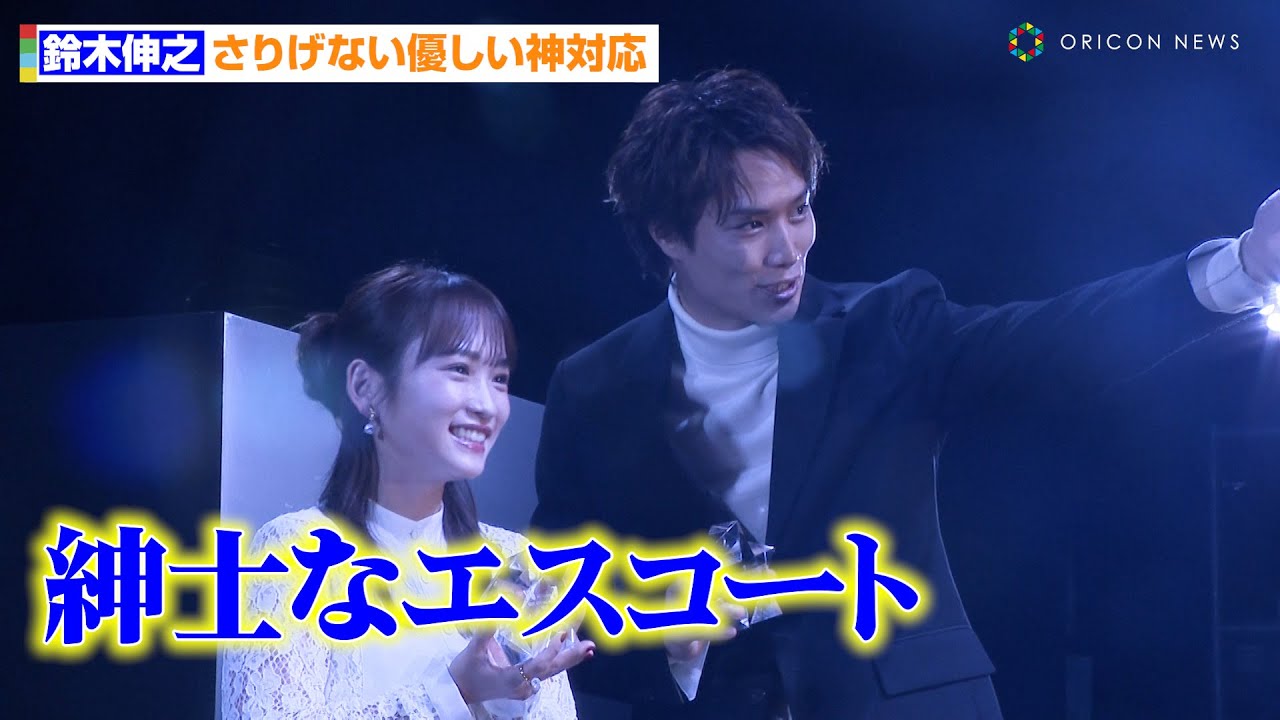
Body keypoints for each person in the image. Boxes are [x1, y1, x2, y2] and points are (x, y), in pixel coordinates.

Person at [529, 68, 1280, 719]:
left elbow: (1054, 337)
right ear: (667, 234)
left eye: (799, 209)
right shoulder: (595, 386)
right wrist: (669, 647)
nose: (788, 249)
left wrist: (1244, 266)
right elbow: (559, 607)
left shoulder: (887, 325)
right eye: (751, 224)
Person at [221, 263, 595, 719]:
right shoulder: (294, 555)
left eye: (499, 378)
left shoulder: (515, 564)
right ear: (366, 387)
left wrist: (517, 692)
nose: (487, 405)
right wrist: (453, 692)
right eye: (459, 369)